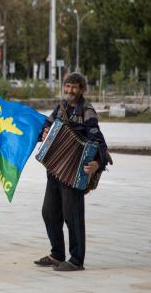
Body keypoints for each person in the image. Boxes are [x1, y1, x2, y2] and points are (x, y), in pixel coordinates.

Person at [34, 72, 109, 271]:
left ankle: (76, 260)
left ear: (82, 89)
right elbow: (47, 125)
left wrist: (96, 163)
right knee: (49, 212)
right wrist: (44, 132)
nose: (70, 90)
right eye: (67, 86)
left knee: (73, 216)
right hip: (55, 169)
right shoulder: (60, 107)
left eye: (74, 87)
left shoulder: (87, 110)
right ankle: (57, 254)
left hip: (75, 171)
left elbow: (99, 141)